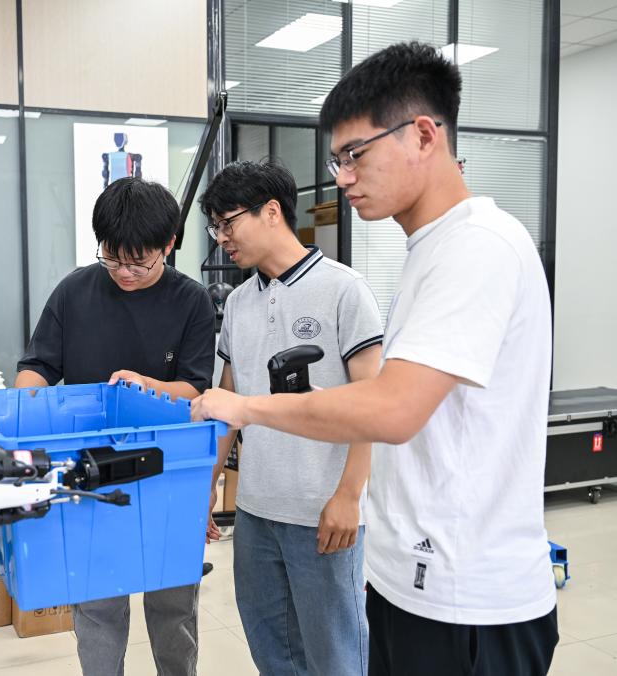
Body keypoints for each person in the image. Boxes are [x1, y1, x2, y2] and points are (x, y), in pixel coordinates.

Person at [191, 42, 558, 675]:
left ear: (423, 135)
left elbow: (390, 410)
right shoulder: (430, 252)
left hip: (466, 599)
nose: (342, 178)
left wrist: (247, 408)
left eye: (355, 154)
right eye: (337, 160)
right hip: (407, 578)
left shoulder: (478, 247)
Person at [16, 176, 215, 676]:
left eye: (138, 261)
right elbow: (37, 366)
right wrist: (25, 412)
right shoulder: (75, 291)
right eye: (112, 257)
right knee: (97, 607)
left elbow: (196, 389)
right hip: (91, 472)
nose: (124, 271)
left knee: (173, 610)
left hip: (167, 473)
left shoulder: (191, 301)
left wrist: (145, 386)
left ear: (168, 244)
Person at [200, 160, 382, 676]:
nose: (222, 238)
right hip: (256, 513)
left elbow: (373, 403)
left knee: (335, 657)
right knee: (273, 653)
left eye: (228, 223)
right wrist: (208, 484)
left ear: (272, 212)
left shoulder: (344, 290)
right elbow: (228, 402)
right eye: (215, 227)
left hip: (322, 511)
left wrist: (348, 497)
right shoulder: (238, 303)